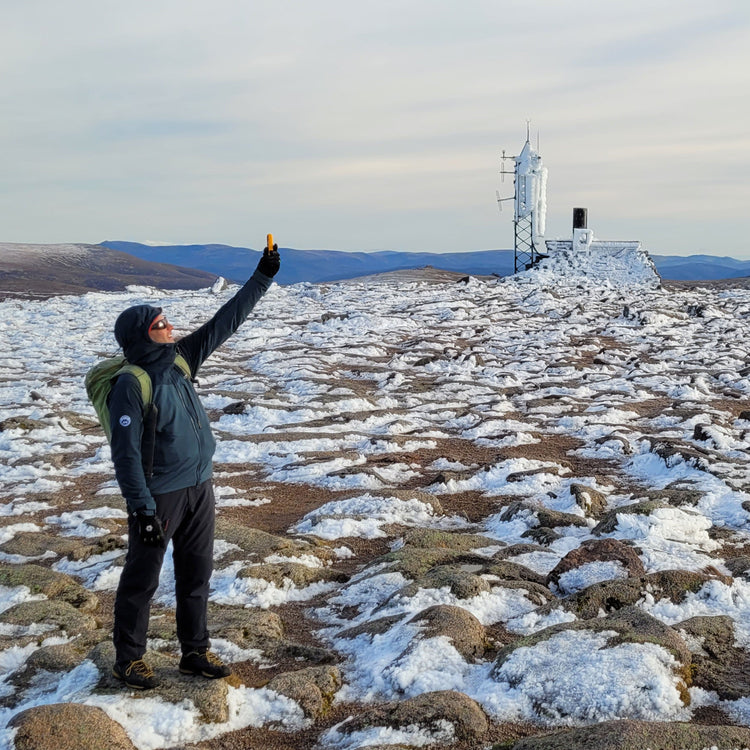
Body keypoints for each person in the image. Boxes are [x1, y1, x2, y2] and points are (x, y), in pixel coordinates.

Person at [108, 244, 280, 689]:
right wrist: (142, 510)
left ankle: (194, 653)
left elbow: (227, 320)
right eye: (160, 325)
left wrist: (262, 275)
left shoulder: (181, 360)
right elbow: (125, 454)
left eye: (166, 322)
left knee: (196, 572)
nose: (171, 327)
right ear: (143, 336)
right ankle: (128, 659)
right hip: (159, 494)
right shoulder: (132, 383)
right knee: (142, 579)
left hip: (199, 487)